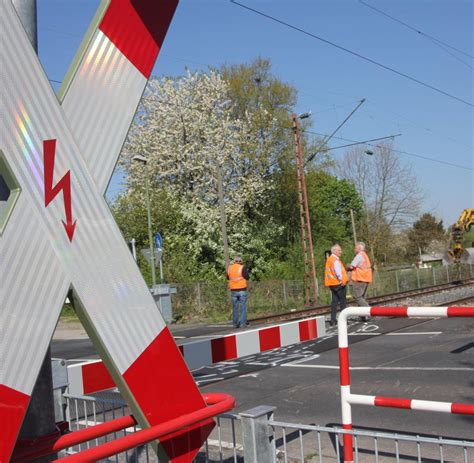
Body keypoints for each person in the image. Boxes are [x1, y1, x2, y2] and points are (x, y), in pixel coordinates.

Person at [324, 244, 348, 326]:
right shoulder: (335, 260)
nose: (340, 252)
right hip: (339, 284)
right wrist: (342, 281)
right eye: (339, 250)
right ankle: (344, 320)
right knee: (343, 302)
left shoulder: (329, 259)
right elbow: (338, 272)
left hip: (332, 284)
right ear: (333, 251)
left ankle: (333, 320)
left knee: (334, 302)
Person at [347, 241, 373, 307]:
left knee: (357, 297)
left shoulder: (359, 256)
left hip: (360, 279)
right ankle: (363, 316)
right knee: (361, 297)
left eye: (355, 248)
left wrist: (347, 266)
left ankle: (368, 311)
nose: (354, 249)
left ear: (359, 248)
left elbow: (352, 266)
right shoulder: (365, 255)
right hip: (366, 279)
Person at [227, 256, 250, 328]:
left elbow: (228, 277)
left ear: (234, 261)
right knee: (243, 307)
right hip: (242, 289)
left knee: (235, 307)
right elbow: (247, 277)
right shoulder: (242, 267)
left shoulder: (230, 268)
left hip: (233, 290)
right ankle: (243, 324)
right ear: (240, 261)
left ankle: (235, 324)